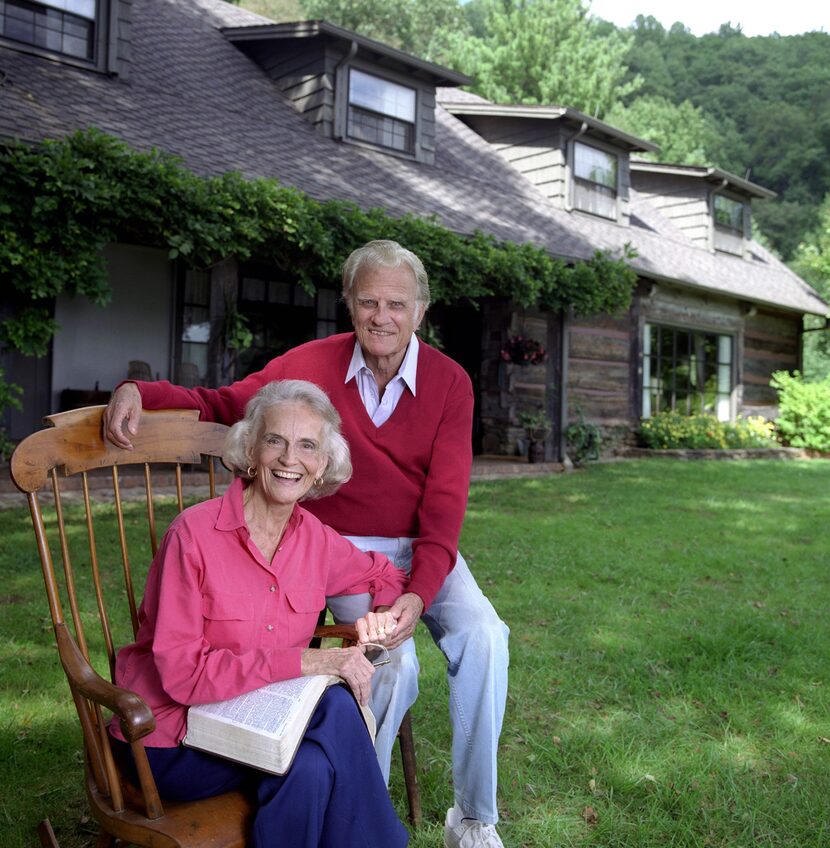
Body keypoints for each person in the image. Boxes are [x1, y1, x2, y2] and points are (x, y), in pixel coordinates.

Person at [104, 239, 510, 848]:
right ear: (349, 304)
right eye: (368, 300)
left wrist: (418, 595)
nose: (382, 316)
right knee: (390, 663)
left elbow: (445, 505)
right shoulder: (309, 365)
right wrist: (144, 391)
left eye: (397, 303)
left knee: (486, 636)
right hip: (339, 542)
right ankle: (357, 811)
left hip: (419, 548)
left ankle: (474, 820)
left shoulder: (450, 384)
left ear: (420, 311)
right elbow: (224, 403)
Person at [109, 379, 409, 848]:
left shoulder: (315, 539)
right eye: (276, 440)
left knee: (309, 767)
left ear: (323, 464)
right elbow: (182, 677)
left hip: (263, 723)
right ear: (251, 449)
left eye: (308, 445)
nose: (291, 459)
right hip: (173, 736)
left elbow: (385, 577)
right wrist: (312, 662)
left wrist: (384, 613)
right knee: (332, 703)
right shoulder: (193, 536)